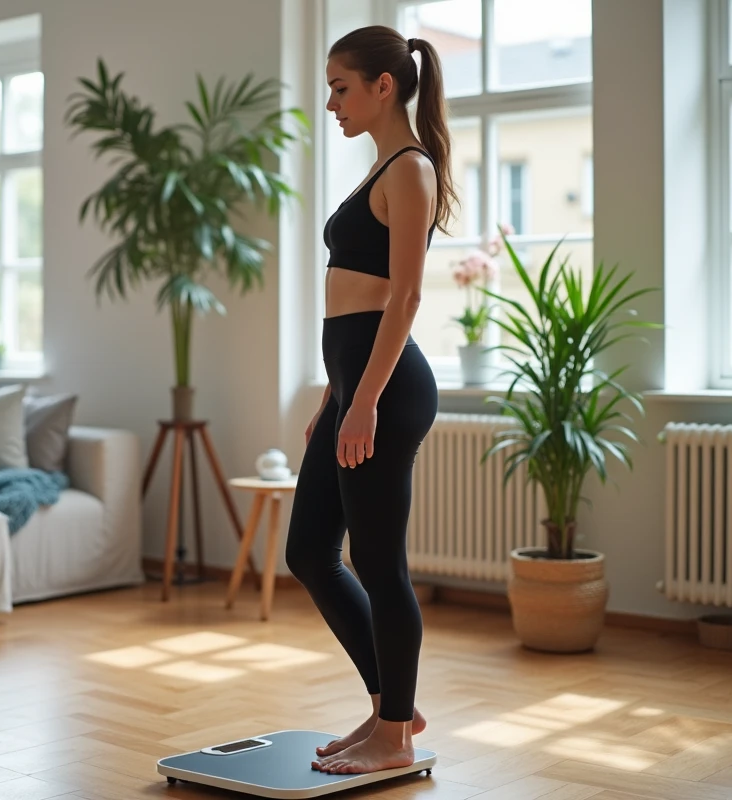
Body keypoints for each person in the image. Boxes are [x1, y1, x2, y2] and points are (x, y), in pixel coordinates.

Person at [285, 25, 456, 776]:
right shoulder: (380, 169)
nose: (330, 103)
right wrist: (337, 395)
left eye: (340, 86)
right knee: (308, 553)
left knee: (379, 564)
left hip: (387, 391)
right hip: (356, 388)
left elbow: (406, 297)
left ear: (383, 86)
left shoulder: (409, 170)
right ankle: (393, 707)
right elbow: (352, 308)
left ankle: (394, 736)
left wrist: (366, 402)